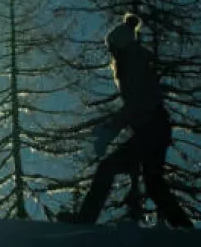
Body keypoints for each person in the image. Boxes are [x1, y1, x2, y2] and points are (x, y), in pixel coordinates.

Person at [62, 12, 192, 228]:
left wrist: (110, 129)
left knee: (108, 168)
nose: (111, 53)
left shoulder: (131, 65)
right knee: (154, 183)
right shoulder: (136, 62)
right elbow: (135, 106)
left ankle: (84, 220)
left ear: (119, 47)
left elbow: (135, 105)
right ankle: (185, 229)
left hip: (151, 130)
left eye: (112, 48)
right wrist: (111, 126)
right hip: (156, 129)